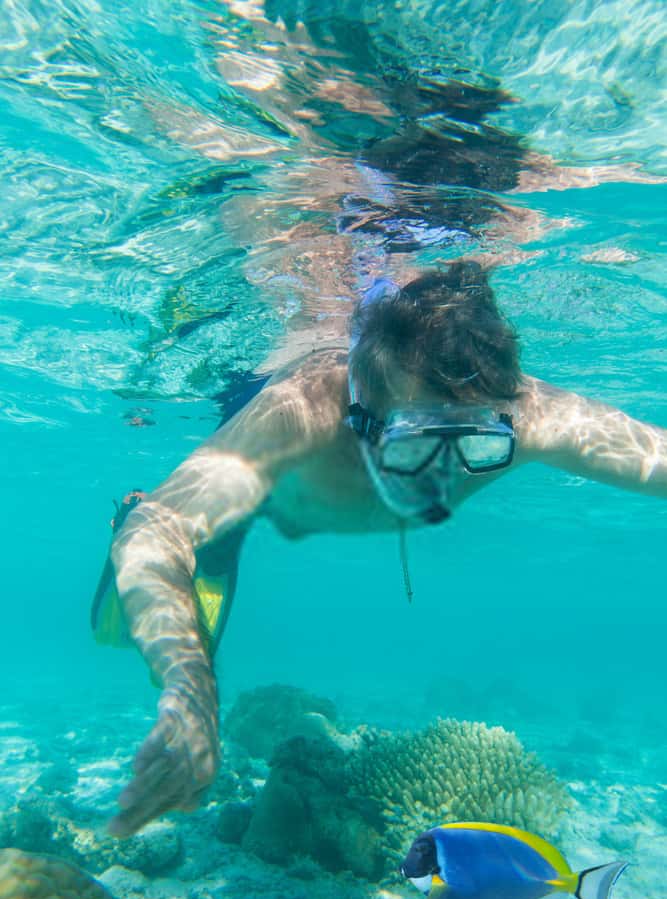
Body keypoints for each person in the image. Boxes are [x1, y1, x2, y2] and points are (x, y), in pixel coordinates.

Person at [103, 259, 667, 837]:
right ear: (363, 418)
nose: (441, 477)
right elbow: (158, 528)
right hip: (270, 489)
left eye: (477, 441)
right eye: (414, 444)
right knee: (200, 548)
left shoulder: (528, 414)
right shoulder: (300, 413)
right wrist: (191, 685)